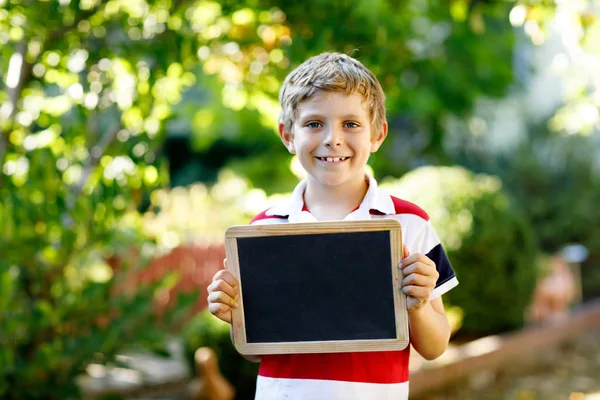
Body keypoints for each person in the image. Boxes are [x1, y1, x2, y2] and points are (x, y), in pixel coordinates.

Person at [207, 52, 458, 400]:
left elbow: (435, 346)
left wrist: (416, 305)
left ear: (377, 134)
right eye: (314, 124)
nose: (332, 139)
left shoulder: (409, 223)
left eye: (351, 124)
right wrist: (234, 315)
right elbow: (256, 351)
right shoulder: (263, 230)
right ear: (287, 135)